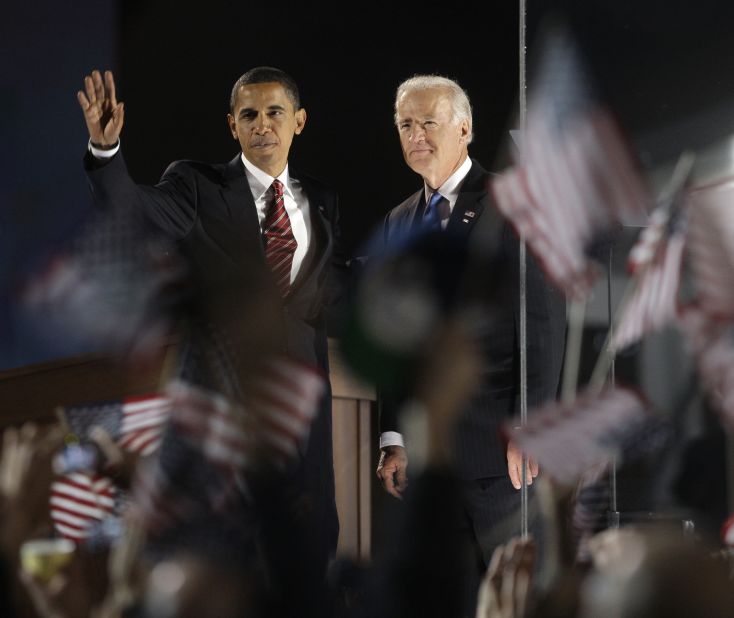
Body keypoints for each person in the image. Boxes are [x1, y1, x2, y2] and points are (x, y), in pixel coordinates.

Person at [77, 66, 349, 616]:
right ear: (232, 125)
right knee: (220, 576)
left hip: (302, 427)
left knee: (308, 569)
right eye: (249, 114)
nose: (263, 125)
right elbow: (133, 211)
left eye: (275, 112)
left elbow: (329, 293)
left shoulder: (321, 200)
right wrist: (106, 153)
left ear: (299, 121)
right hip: (219, 424)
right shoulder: (197, 187)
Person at [375, 74, 566, 616]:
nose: (416, 135)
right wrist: (395, 434)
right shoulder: (398, 222)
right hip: (432, 461)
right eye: (406, 125)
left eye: (428, 123)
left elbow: (544, 321)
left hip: (502, 454)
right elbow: (399, 340)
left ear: (465, 128)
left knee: (518, 598)